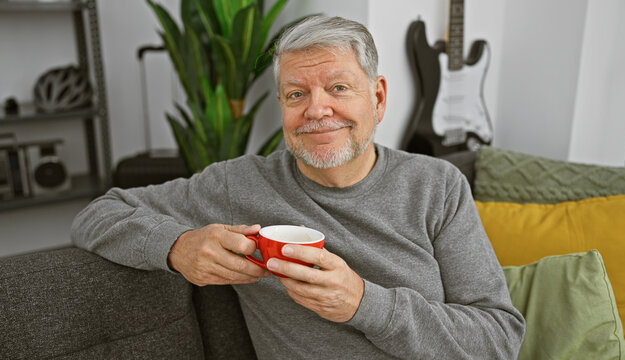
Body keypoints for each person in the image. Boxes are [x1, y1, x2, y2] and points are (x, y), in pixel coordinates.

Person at [72, 15, 525, 359]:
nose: (316, 110)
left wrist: (364, 303)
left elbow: (499, 338)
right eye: (296, 94)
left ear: (378, 97)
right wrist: (177, 246)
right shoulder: (239, 183)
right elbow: (97, 214)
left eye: (339, 87)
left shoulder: (437, 185)